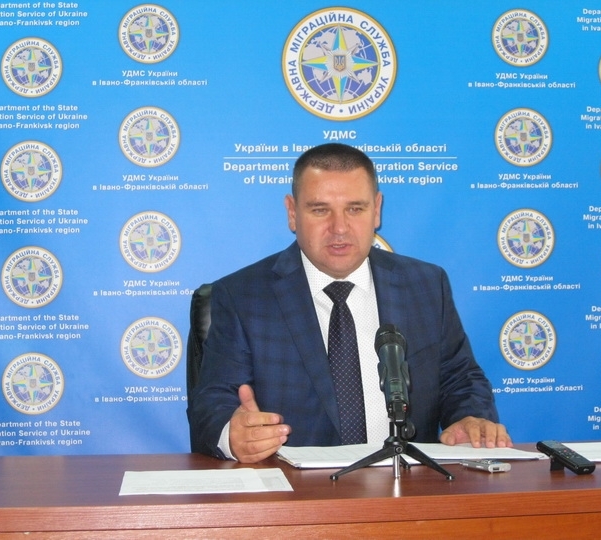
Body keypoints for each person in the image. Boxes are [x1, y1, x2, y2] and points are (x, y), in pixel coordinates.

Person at [188, 143, 511, 463]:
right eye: (320, 210)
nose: (339, 228)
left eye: (355, 209)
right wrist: (232, 434)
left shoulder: (425, 285)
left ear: (377, 209)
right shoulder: (244, 295)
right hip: (297, 487)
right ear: (292, 212)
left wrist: (470, 418)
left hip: (407, 483)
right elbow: (212, 402)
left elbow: (459, 377)